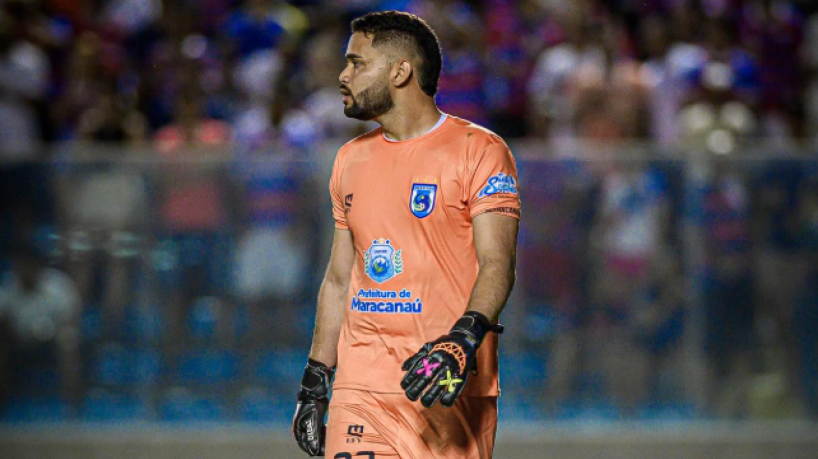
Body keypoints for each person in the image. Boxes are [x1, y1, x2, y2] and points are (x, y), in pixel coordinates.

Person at [292, 11, 520, 459]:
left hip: (446, 384)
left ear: (400, 71)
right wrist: (316, 379)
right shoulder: (349, 160)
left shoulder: (482, 151)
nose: (343, 75)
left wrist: (463, 339)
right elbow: (340, 278)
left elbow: (498, 263)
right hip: (362, 387)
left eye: (357, 63)